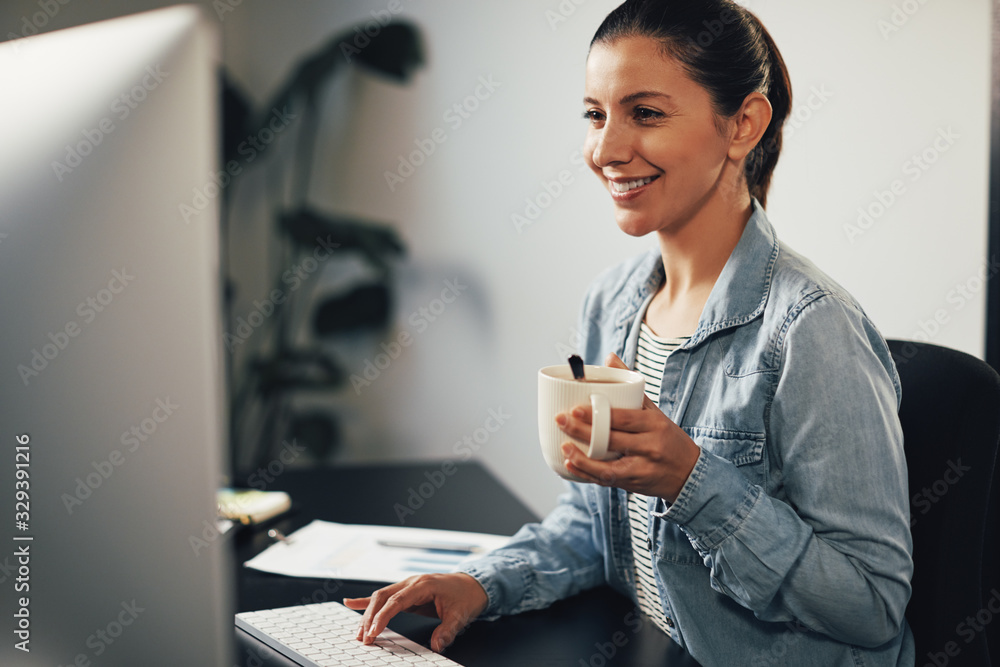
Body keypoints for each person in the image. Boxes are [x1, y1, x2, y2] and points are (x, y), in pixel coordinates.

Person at [345, 1, 915, 664]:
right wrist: (481, 581)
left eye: (644, 113)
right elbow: (595, 525)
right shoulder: (613, 302)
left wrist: (692, 481)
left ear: (744, 124)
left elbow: (872, 606)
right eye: (595, 114)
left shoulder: (812, 329)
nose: (605, 149)